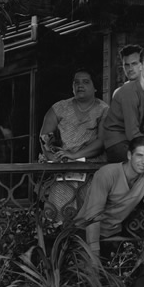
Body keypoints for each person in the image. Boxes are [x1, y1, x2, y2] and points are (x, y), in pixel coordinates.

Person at [39, 68, 109, 220]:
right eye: (76, 82)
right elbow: (44, 137)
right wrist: (53, 157)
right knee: (58, 218)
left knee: (89, 219)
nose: (80, 85)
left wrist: (75, 155)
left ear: (94, 86)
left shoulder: (103, 109)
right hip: (63, 170)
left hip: (90, 170)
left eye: (85, 82)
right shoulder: (59, 108)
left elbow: (102, 142)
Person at [76, 136, 144, 256]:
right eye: (139, 155)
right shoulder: (107, 174)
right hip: (86, 232)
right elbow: (93, 217)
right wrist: (94, 255)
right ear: (129, 155)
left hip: (113, 234)